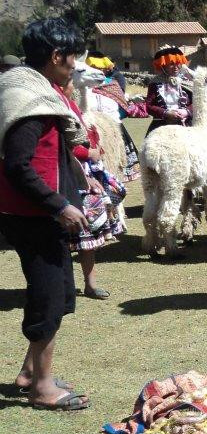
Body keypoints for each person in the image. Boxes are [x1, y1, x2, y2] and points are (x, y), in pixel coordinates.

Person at [0, 17, 91, 410]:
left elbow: (47, 155)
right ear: (56, 56)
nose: (74, 66)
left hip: (39, 214)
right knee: (48, 297)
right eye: (72, 58)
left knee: (60, 293)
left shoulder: (37, 92)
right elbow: (18, 165)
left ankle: (31, 373)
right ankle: (42, 389)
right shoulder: (31, 103)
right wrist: (59, 204)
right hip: (33, 216)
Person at [62, 78, 126, 301]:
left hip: (84, 173)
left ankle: (90, 285)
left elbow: (84, 140)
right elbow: (66, 145)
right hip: (65, 175)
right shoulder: (55, 108)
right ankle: (63, 286)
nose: (71, 84)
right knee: (63, 236)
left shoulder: (72, 107)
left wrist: (92, 153)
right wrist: (88, 154)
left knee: (86, 233)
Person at [84, 51, 141, 181]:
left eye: (101, 68)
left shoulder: (112, 85)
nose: (98, 71)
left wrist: (112, 120)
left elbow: (122, 107)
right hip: (93, 130)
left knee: (117, 166)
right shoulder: (83, 87)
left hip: (115, 128)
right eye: (94, 68)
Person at [145, 45, 191, 134]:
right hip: (161, 126)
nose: (176, 67)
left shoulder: (187, 82)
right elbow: (149, 106)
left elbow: (195, 102)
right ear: (163, 65)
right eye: (171, 64)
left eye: (178, 63)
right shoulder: (155, 83)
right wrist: (166, 113)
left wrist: (186, 111)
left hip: (185, 125)